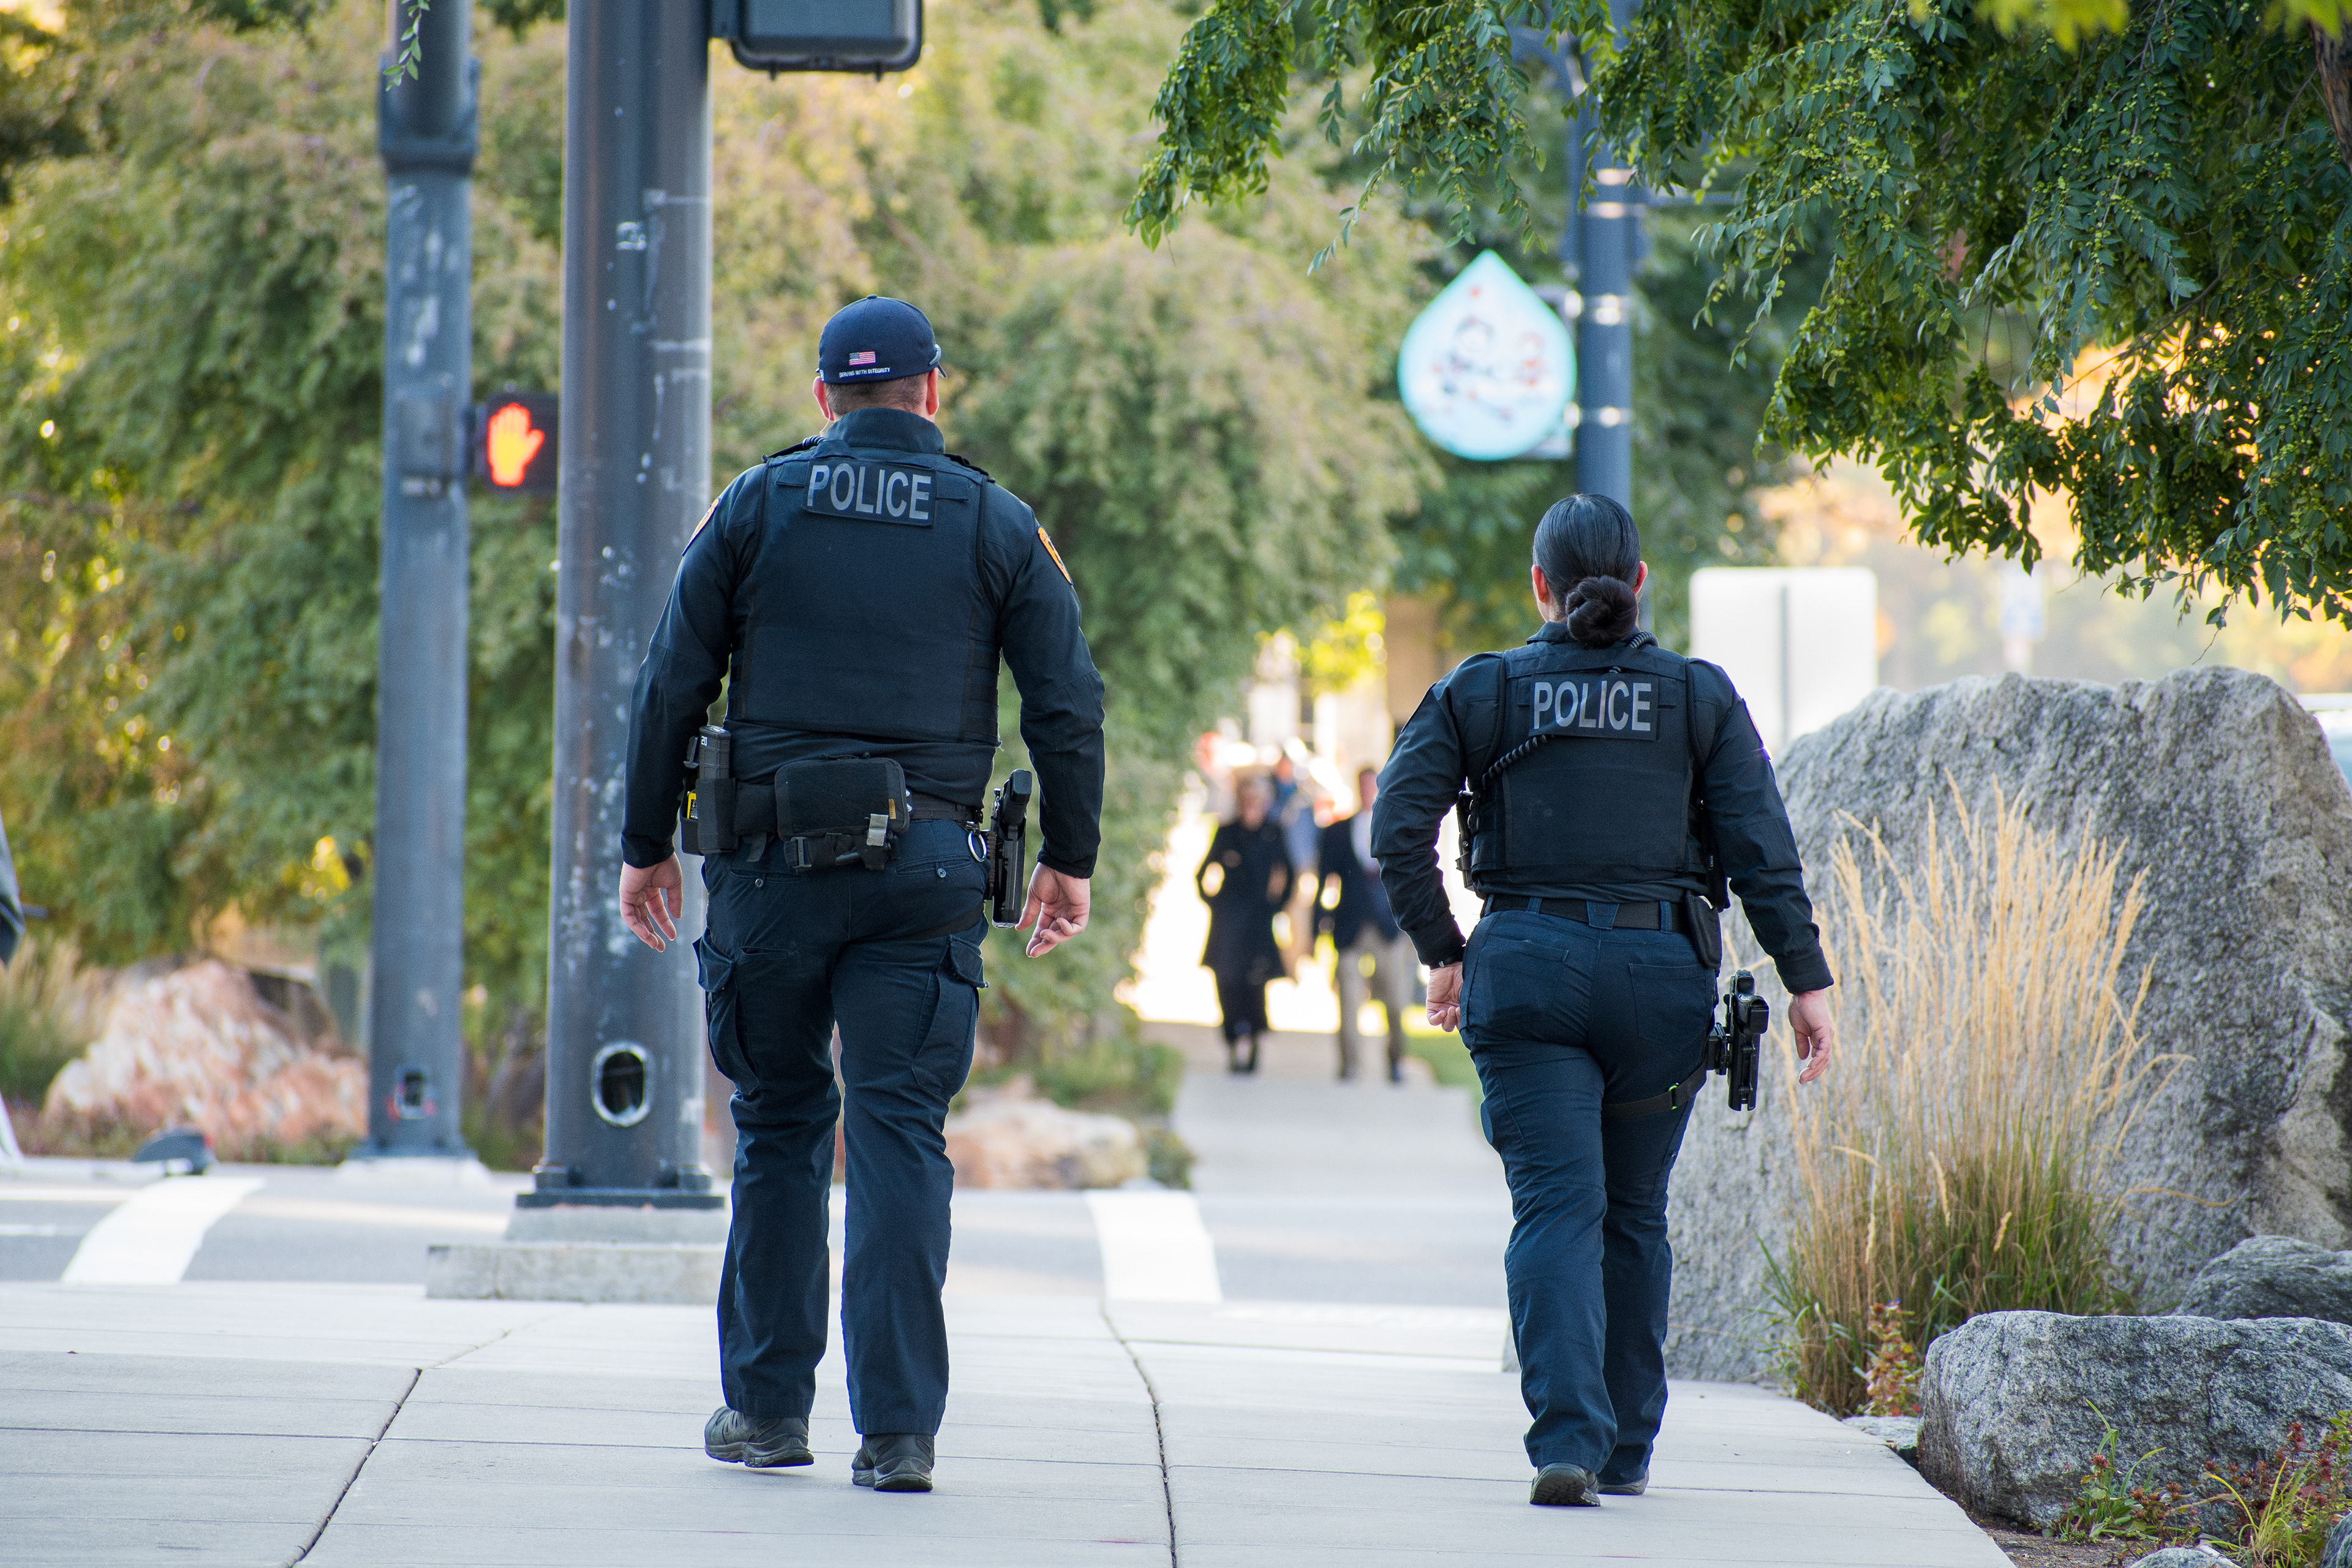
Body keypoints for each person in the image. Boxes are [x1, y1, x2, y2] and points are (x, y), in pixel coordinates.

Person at [615, 295, 1105, 1497]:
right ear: (933, 392)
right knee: (895, 1133)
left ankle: (769, 1409)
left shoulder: (757, 504)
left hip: (773, 874)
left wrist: (645, 846)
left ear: (824, 396)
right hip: (926, 878)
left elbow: (669, 682)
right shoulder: (998, 523)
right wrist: (1070, 858)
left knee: (781, 1121)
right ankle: (899, 1434)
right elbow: (1068, 703)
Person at [1370, 494, 1837, 1508]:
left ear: (1539, 586)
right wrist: (1807, 982)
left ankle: (1566, 1443)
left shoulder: (1481, 692)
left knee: (1554, 1209)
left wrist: (1444, 952)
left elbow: (1395, 828)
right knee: (1633, 1213)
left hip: (1526, 969)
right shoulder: (1697, 697)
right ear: (1640, 584)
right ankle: (1625, 1447)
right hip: (1659, 983)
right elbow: (1763, 851)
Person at [1317, 766, 1414, 1082]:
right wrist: (1319, 920)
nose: (1368, 792)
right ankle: (1350, 1065)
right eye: (1363, 787)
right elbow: (1324, 879)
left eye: (1373, 786)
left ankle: (1395, 1059)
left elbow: (1414, 876)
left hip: (1389, 925)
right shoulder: (1337, 830)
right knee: (1347, 999)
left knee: (1396, 1002)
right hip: (1350, 925)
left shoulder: (1398, 827)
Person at [1196, 773, 1292, 1074]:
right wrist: (1214, 904)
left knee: (1255, 981)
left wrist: (1277, 906)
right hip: (1228, 921)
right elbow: (1202, 874)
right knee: (1227, 980)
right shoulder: (1226, 832)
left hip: (1259, 920)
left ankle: (1253, 1036)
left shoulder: (1274, 833)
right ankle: (1232, 1035)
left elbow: (1289, 873)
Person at [1270, 753, 1322, 974]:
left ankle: (1297, 962)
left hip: (1304, 865)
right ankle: (1287, 963)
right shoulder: (1273, 795)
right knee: (1284, 915)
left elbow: (1313, 832)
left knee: (1302, 916)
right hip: (1281, 867)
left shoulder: (1302, 797)